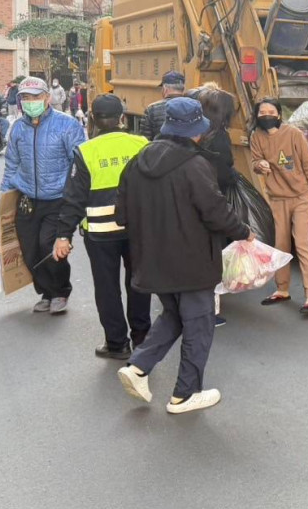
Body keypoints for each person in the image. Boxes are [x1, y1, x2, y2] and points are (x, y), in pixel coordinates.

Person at [115, 97, 252, 414]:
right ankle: (185, 394)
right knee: (200, 324)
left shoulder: (136, 163)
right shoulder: (195, 165)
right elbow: (215, 211)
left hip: (152, 261)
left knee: (173, 316)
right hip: (192, 262)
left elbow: (122, 215)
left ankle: (138, 367)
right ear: (195, 132)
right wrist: (243, 231)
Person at [53, 94, 150, 358]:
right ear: (122, 117)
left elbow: (74, 198)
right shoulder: (142, 144)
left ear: (93, 118)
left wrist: (64, 236)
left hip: (100, 233)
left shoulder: (86, 151)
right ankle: (142, 339)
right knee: (139, 284)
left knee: (107, 288)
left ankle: (117, 344)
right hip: (138, 229)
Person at [0, 76, 87, 314]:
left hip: (57, 199)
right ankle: (45, 293)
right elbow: (12, 164)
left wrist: (75, 197)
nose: (31, 102)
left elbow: (78, 164)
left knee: (48, 246)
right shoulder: (18, 128)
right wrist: (4, 197)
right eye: (26, 98)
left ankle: (60, 291)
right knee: (30, 251)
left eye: (36, 97)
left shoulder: (67, 125)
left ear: (47, 97)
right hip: (27, 199)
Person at [250, 99, 308, 313]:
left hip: (301, 197)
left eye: (271, 111)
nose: (266, 115)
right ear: (257, 116)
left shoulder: (294, 134)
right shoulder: (256, 137)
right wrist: (260, 165)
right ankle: (282, 290)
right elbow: (255, 161)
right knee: (280, 245)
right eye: (262, 112)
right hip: (277, 199)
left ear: (278, 115)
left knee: (302, 243)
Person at [191, 86, 239, 327]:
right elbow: (223, 170)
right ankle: (209, 311)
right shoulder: (219, 136)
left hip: (192, 200)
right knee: (213, 254)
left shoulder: (195, 131)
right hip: (212, 200)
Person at [140, 70, 186, 139]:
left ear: (165, 89)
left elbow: (145, 140)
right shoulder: (195, 106)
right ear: (183, 89)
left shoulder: (152, 109)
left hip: (159, 149)